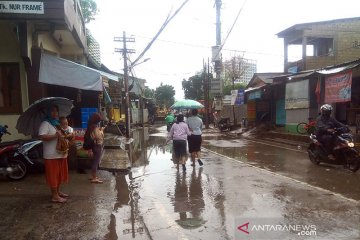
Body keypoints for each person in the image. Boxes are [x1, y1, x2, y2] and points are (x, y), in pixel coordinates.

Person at [38, 105, 69, 203]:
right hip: (51, 155)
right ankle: (54, 196)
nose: (55, 113)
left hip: (60, 153)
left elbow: (61, 135)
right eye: (52, 111)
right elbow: (42, 136)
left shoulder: (56, 123)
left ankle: (58, 192)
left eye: (56, 111)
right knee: (53, 175)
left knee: (59, 175)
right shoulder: (45, 123)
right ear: (48, 112)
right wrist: (55, 135)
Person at [87, 113, 105, 183]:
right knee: (96, 161)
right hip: (97, 145)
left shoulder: (91, 126)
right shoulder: (94, 127)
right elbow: (99, 136)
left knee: (94, 161)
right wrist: (101, 131)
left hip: (94, 145)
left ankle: (93, 176)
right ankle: (94, 178)